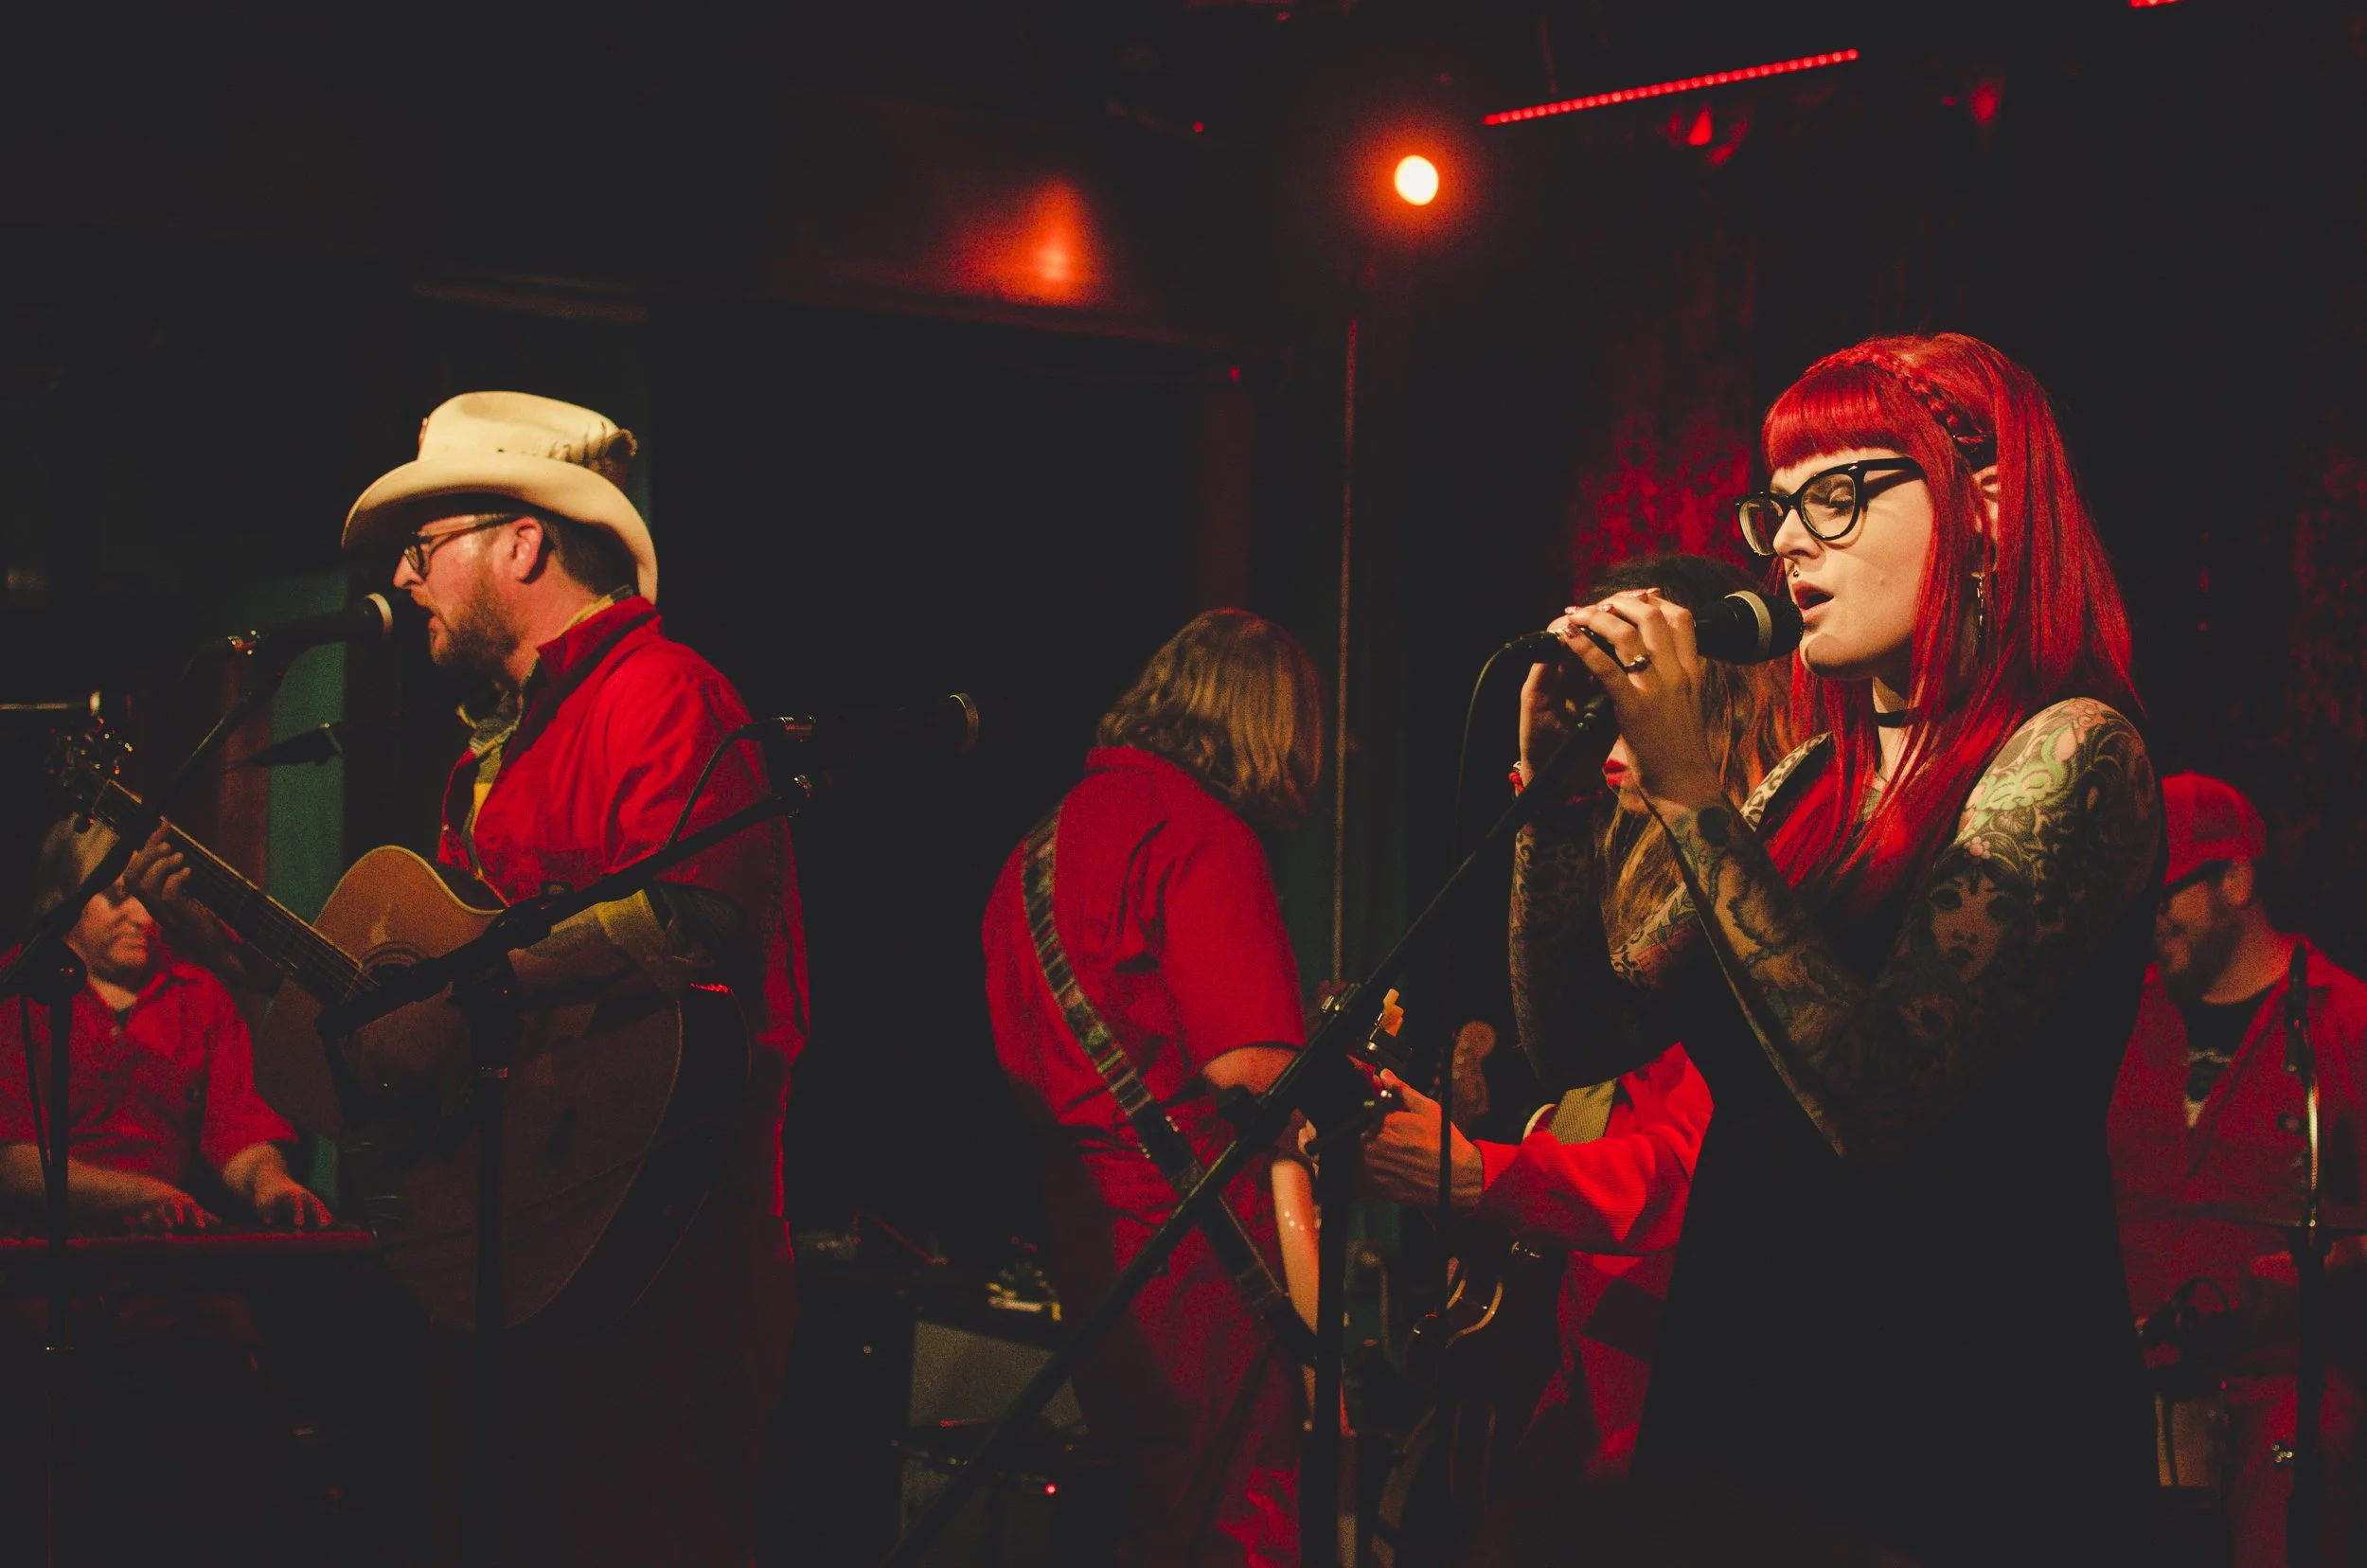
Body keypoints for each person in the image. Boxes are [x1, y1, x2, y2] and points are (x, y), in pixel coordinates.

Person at [133, 391, 807, 1566]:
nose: (402, 575)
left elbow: (704, 916)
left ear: (522, 542)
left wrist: (473, 998)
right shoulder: (483, 761)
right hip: (510, 1252)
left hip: (651, 1275)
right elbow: (423, 1024)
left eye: (424, 544)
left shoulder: (659, 696)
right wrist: (242, 958)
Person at [1528, 333, 2162, 1560]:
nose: (1786, 545)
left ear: (1985, 503)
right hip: (1756, 1351)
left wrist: (1689, 789)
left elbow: (1875, 1089)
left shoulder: (2072, 753)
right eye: (1778, 507)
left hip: (1949, 1379)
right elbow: (1582, 1037)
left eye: (1837, 495)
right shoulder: (1815, 778)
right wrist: (1558, 811)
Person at [1357, 553, 1796, 1483]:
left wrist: (1481, 1172)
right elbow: (1571, 1071)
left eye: (1626, 701)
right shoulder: (1621, 853)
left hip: (1683, 1380)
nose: (1605, 739)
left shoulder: (1758, 869)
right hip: (1587, 1363)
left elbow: (1689, 1161)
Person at [983, 609, 1323, 1567]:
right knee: (1233, 1520)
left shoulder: (1034, 850)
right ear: (1266, 722)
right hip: (1204, 1257)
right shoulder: (1202, 837)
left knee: (1147, 1515)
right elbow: (1256, 1091)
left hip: (1088, 1236)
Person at [2109, 772, 2367, 1565]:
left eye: (2166, 894)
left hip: (2279, 1411)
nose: (2150, 921)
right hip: (2115, 1398)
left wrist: (2338, 1264)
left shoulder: (2347, 1021)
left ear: (2236, 879)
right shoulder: (2115, 1017)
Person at [0, 817, 327, 1232]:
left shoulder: (199, 995)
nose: (142, 918)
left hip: (168, 1258)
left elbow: (239, 1129)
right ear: (65, 899)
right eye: (118, 897)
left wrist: (272, 1182)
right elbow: (10, 1162)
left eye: (146, 901)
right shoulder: (15, 988)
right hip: (40, 1266)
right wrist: (141, 1195)